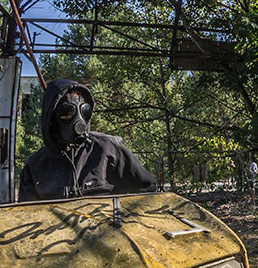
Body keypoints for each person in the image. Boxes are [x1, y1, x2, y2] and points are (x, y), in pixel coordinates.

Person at [18, 79, 157, 201]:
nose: (78, 120)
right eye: (67, 112)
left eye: (85, 111)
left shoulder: (109, 149)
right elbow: (26, 215)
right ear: (51, 119)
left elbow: (147, 190)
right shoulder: (35, 167)